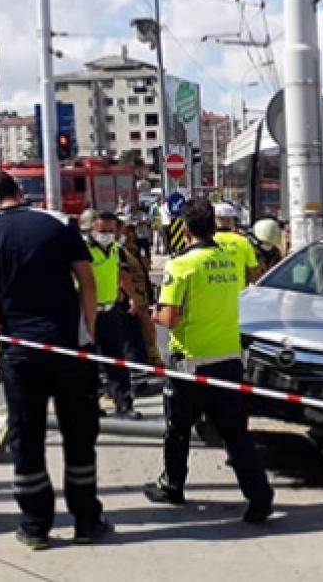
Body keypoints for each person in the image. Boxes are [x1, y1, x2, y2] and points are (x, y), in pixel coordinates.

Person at [0, 171, 110, 550]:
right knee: (79, 433)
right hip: (68, 346)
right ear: (17, 191)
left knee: (27, 438)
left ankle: (34, 526)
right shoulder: (58, 223)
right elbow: (87, 280)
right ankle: (86, 520)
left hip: (19, 352)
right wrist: (89, 329)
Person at [142, 199, 274, 523]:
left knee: (178, 428)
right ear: (214, 226)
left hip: (191, 363)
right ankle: (259, 497)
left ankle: (172, 485)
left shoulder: (181, 265)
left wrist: (152, 313)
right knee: (236, 434)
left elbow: (170, 318)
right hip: (228, 358)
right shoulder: (229, 261)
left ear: (184, 229)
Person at [86, 211, 144, 419]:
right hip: (88, 312)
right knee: (88, 361)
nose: (107, 235)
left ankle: (124, 404)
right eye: (103, 230)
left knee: (116, 359)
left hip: (110, 310)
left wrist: (132, 298)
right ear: (92, 229)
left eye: (111, 230)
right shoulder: (83, 250)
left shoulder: (116, 250)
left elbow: (122, 275)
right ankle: (91, 405)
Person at [119, 216, 161, 366]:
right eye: (126, 231)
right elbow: (123, 278)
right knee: (137, 334)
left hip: (144, 297)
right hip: (132, 299)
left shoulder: (135, 250)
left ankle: (152, 359)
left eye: (132, 231)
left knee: (148, 331)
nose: (130, 234)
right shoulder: (120, 253)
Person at [213, 202, 261, 286]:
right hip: (238, 292)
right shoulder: (243, 242)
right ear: (230, 221)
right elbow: (253, 273)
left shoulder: (208, 241)